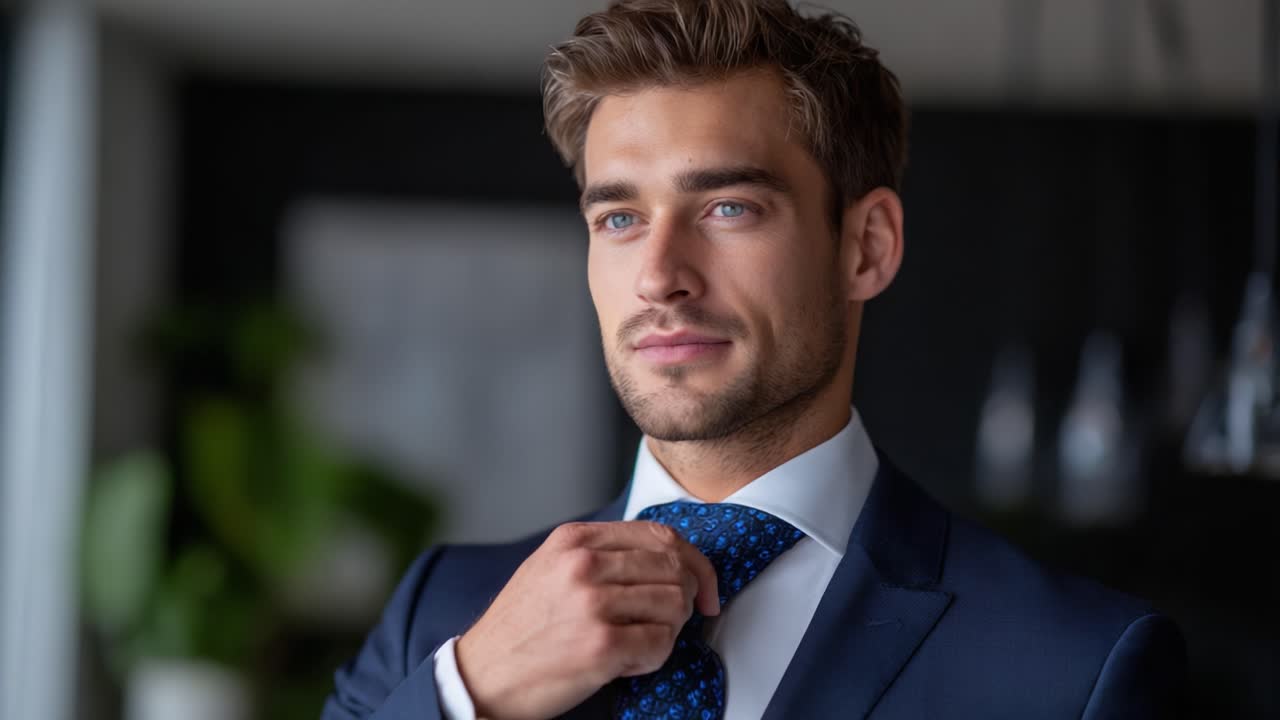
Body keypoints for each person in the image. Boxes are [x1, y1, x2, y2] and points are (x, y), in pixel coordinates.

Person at [322, 1, 1185, 718]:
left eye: (728, 208)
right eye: (619, 218)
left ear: (867, 246)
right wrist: (471, 695)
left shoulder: (1073, 669)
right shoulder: (444, 621)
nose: (658, 275)